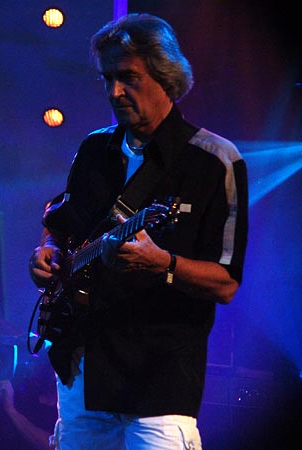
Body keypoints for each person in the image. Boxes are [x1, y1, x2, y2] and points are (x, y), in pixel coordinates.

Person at [28, 13, 248, 450]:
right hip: (82, 375)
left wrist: (163, 265)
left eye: (128, 77)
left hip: (159, 385)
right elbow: (59, 223)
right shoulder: (94, 149)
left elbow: (226, 283)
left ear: (165, 76)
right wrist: (46, 252)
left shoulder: (214, 161)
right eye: (107, 78)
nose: (114, 91)